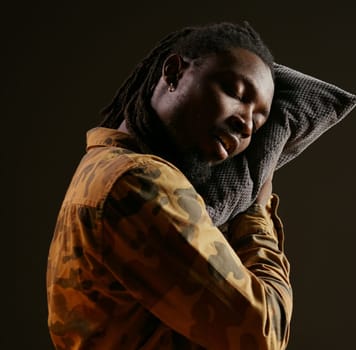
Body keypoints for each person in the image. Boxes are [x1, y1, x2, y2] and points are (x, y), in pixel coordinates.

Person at [46, 22, 292, 350]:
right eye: (235, 92)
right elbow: (263, 333)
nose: (246, 123)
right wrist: (257, 214)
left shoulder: (103, 168)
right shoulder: (138, 181)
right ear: (174, 73)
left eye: (258, 123)